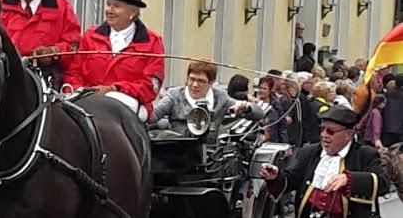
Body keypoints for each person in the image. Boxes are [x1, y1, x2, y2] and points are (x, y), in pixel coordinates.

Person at [63, 0, 165, 121]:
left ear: (133, 12)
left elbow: (149, 87)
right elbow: (74, 72)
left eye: (116, 6)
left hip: (127, 103)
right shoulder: (90, 36)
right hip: (87, 101)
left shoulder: (152, 42)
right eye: (108, 4)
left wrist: (115, 89)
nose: (109, 10)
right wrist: (80, 91)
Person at [260, 104, 388, 217]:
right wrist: (275, 177)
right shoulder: (309, 152)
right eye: (322, 129)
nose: (324, 135)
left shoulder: (364, 154)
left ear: (348, 134)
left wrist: (350, 179)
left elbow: (383, 183)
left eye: (330, 131)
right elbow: (291, 181)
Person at [148, 60, 260, 133]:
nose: (195, 85)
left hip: (211, 160)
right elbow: (152, 116)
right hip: (176, 157)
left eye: (201, 81)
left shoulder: (221, 98)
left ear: (211, 83)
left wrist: (247, 107)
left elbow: (259, 114)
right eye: (192, 79)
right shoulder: (174, 95)